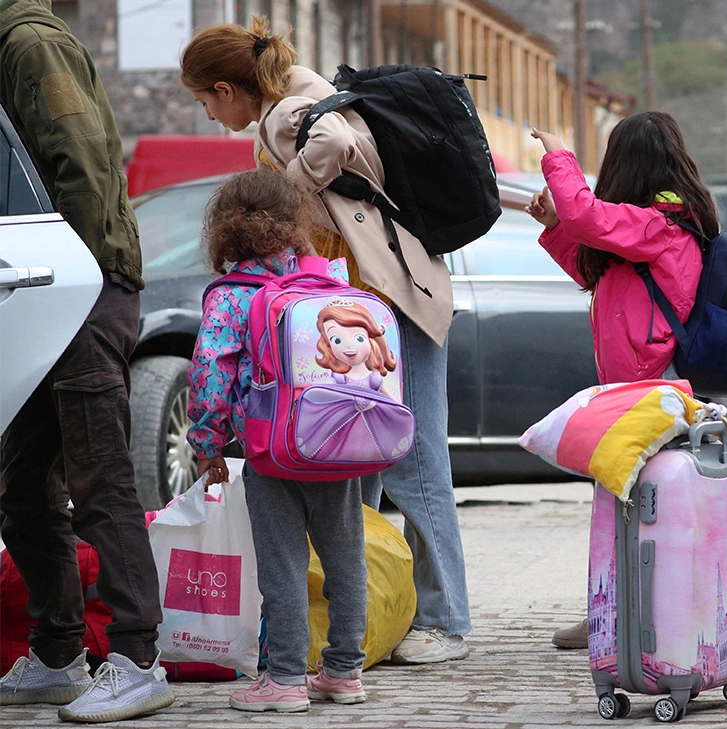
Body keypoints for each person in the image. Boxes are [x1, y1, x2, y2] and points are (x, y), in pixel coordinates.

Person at [179, 16, 471, 663]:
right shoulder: (297, 95)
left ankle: (447, 618)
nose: (208, 116)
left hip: (386, 306)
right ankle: (366, 616)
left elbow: (334, 141)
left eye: (205, 102)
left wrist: (285, 193)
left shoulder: (289, 110)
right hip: (355, 305)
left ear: (227, 89)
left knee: (413, 456)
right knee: (352, 458)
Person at [526, 113, 727, 649]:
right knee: (631, 499)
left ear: (626, 165)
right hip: (632, 384)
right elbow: (596, 271)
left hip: (652, 383)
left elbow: (588, 216)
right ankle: (614, 611)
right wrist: (554, 226)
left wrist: (559, 156)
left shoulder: (662, 223)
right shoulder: (646, 230)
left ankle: (624, 614)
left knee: (635, 500)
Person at [0, 0, 176, 722]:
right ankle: (58, 653)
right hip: (52, 289)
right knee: (20, 485)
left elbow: (83, 162)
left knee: (100, 473)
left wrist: (76, 278)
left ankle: (137, 658)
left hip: (78, 288)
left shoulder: (29, 40)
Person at [188, 169, 369, 712]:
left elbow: (210, 372)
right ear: (294, 225)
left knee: (283, 562)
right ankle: (343, 671)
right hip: (339, 442)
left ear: (225, 233)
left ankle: (286, 679)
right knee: (346, 557)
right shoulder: (328, 283)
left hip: (271, 450)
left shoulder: (231, 298)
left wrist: (208, 443)